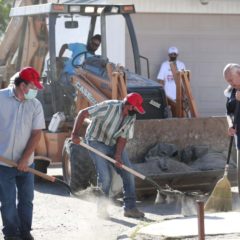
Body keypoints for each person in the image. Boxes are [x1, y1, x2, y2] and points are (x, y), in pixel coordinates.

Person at [71, 93, 145, 219]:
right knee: (105, 177)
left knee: (128, 174)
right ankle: (102, 209)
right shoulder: (108, 107)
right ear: (129, 105)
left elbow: (123, 137)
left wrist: (117, 156)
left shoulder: (131, 117)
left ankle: (130, 208)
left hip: (113, 143)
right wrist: (75, 134)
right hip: (96, 140)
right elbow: (83, 113)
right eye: (135, 108)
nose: (135, 111)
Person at [0, 67, 45, 240]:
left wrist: (25, 159)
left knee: (27, 200)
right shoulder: (1, 98)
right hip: (4, 164)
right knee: (8, 201)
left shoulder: (35, 105)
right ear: (22, 85)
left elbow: (36, 134)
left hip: (27, 163)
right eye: (33, 87)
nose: (35, 91)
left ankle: (25, 232)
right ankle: (11, 234)